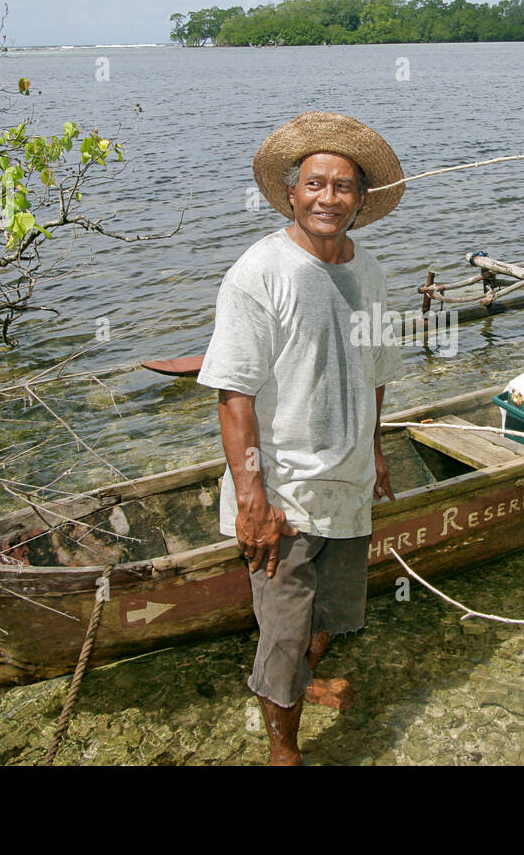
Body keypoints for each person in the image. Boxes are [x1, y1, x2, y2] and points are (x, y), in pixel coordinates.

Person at [196, 111, 406, 765]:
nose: (328, 198)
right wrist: (253, 500)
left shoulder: (368, 273)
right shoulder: (259, 274)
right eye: (315, 185)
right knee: (284, 636)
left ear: (361, 201)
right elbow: (234, 396)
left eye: (343, 187)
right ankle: (283, 751)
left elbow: (374, 374)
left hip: (345, 486)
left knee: (332, 617)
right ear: (291, 194)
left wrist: (373, 454)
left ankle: (302, 685)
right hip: (282, 495)